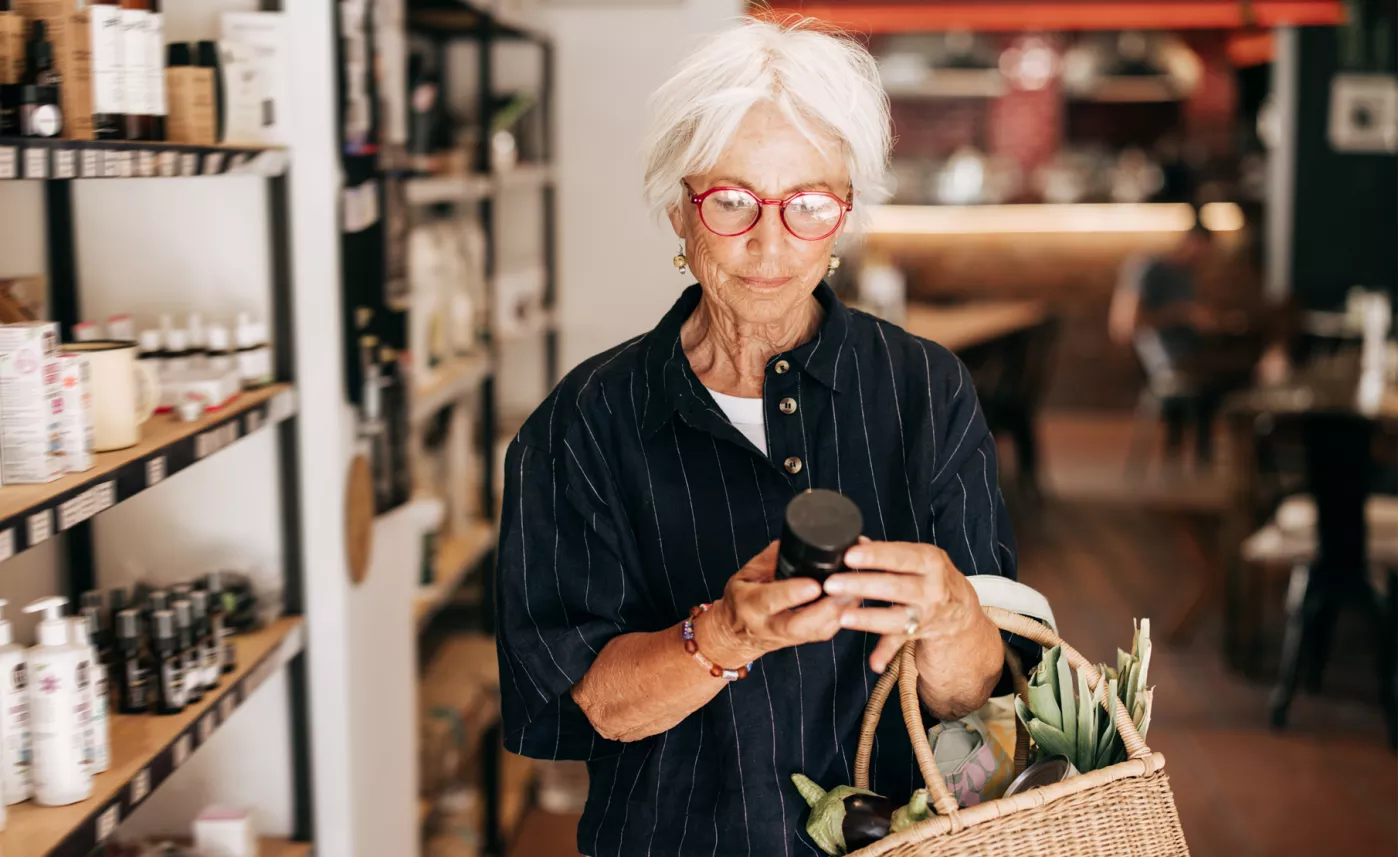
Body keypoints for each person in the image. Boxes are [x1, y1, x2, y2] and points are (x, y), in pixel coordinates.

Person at [496, 18, 1013, 856]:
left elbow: (980, 701)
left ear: (843, 215)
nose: (771, 244)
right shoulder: (584, 421)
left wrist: (954, 616)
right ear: (679, 208)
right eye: (732, 201)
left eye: (808, 204)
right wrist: (724, 635)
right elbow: (595, 702)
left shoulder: (925, 390)